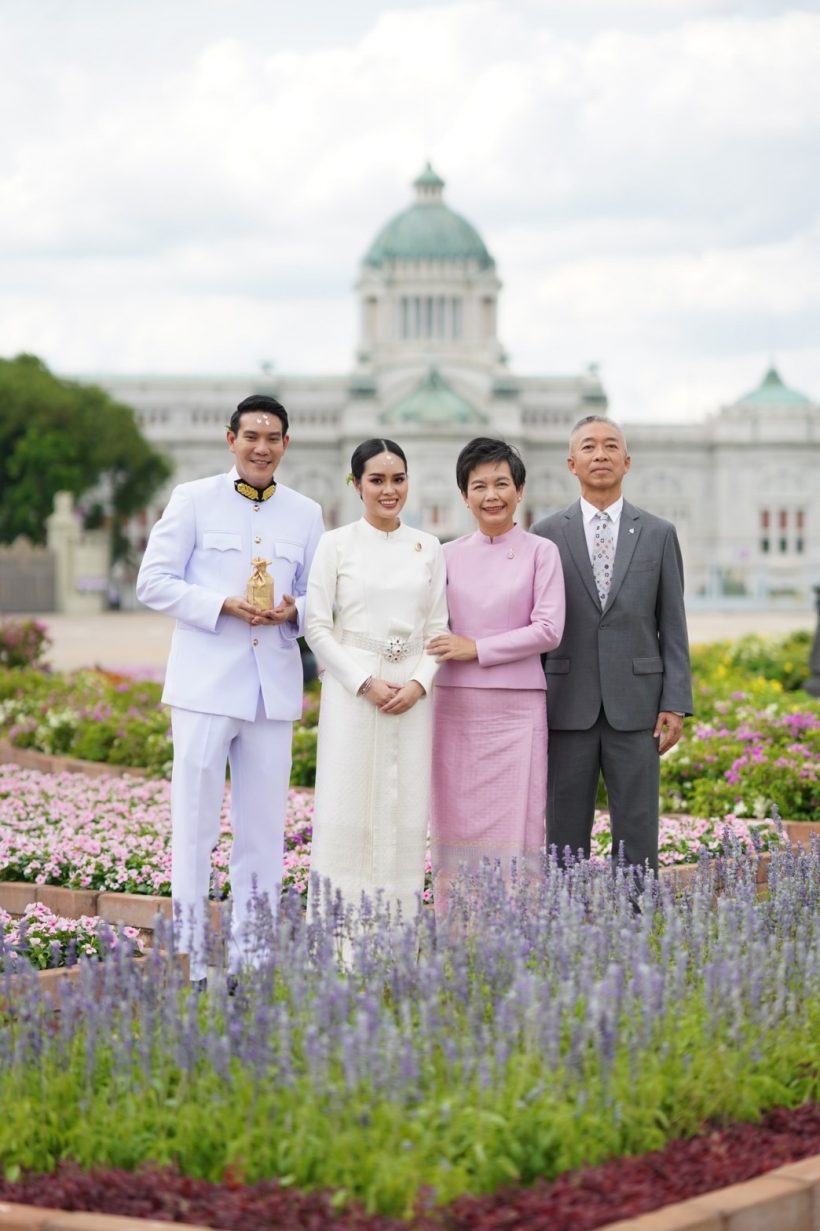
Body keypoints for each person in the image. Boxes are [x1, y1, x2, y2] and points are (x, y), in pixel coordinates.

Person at [136, 394, 324, 985]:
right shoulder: (194, 499)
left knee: (263, 833)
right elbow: (154, 582)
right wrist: (221, 604)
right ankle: (190, 959)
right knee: (193, 825)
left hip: (271, 691)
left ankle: (252, 958)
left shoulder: (306, 512)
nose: (262, 447)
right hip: (205, 686)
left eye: (273, 438)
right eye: (252, 437)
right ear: (231, 439)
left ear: (286, 445)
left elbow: (321, 595)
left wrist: (295, 610)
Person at [532, 415, 693, 875]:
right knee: (564, 825)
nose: (599, 455)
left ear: (627, 460)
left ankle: (636, 922)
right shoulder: (545, 535)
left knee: (638, 824)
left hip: (638, 707)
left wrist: (676, 701)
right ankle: (565, 926)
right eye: (588, 447)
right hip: (565, 704)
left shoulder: (659, 534)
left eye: (609, 446)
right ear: (571, 463)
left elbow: (673, 625)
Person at [305, 438, 448, 924]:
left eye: (398, 479)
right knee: (346, 802)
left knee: (404, 806)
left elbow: (438, 628)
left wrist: (419, 684)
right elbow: (317, 625)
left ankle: (396, 938)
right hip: (352, 693)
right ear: (356, 484)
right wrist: (363, 682)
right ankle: (338, 941)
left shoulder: (428, 546)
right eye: (377, 480)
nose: (390, 490)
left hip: (412, 696)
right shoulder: (335, 543)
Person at [427, 438, 565, 913]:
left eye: (501, 483)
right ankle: (455, 924)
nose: (491, 495)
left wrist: (476, 648)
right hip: (454, 705)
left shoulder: (541, 552)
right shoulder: (442, 555)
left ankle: (515, 924)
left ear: (520, 490)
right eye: (478, 485)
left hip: (517, 706)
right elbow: (427, 625)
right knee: (455, 815)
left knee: (517, 818)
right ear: (464, 495)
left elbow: (548, 629)